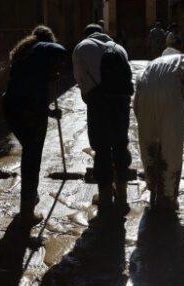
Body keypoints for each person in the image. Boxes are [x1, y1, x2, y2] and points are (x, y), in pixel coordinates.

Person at [2, 26, 66, 225]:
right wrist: (54, 66)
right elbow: (60, 51)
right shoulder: (41, 49)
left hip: (12, 108)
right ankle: (27, 211)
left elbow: (27, 91)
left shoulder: (25, 56)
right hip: (28, 111)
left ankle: (29, 200)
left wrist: (48, 111)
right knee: (32, 158)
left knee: (30, 152)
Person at [72, 24, 134, 215]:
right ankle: (122, 197)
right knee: (120, 145)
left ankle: (105, 197)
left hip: (99, 103)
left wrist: (90, 99)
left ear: (86, 34)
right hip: (122, 102)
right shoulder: (119, 48)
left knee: (102, 148)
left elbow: (81, 81)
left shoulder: (82, 47)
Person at [134, 50, 184, 212]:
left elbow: (139, 82)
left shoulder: (154, 64)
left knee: (149, 144)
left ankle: (153, 186)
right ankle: (169, 198)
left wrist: (143, 120)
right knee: (171, 147)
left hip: (143, 96)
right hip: (169, 96)